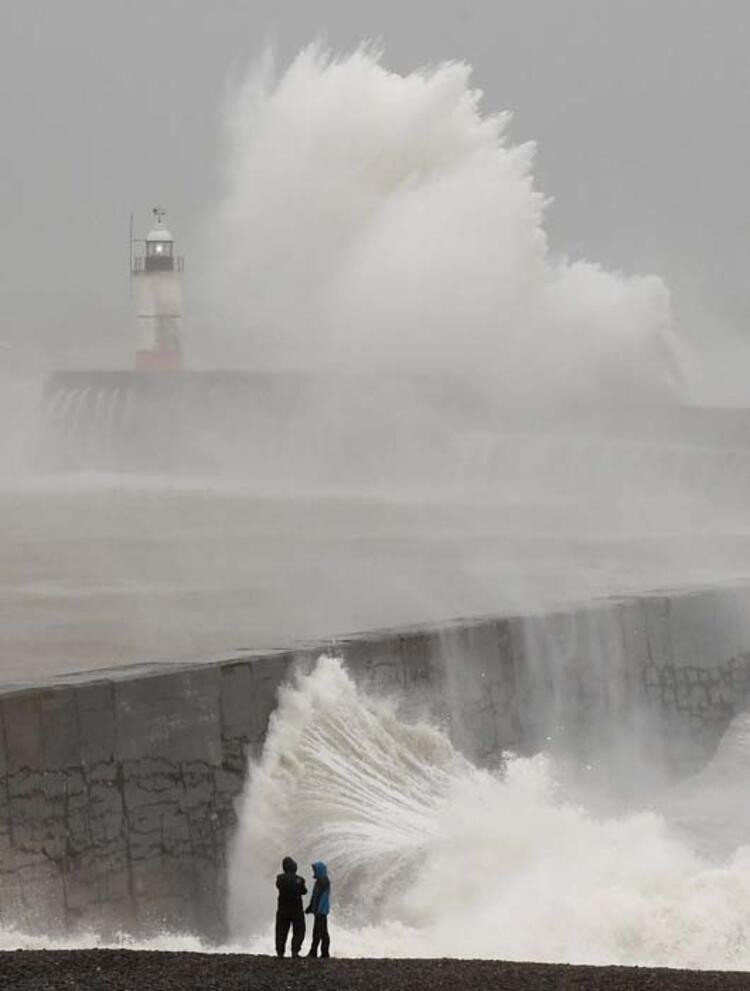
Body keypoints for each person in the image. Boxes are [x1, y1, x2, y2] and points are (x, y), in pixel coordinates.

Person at [275, 856, 307, 958]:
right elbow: (304, 891)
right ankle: (295, 951)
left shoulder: (280, 878)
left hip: (283, 909)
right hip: (296, 908)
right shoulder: (300, 879)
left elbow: (278, 886)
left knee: (281, 930)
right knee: (299, 930)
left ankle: (280, 952)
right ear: (294, 867)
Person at [305, 861, 331, 958]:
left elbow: (318, 897)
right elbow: (315, 897)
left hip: (321, 911)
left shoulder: (322, 881)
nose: (314, 872)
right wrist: (311, 907)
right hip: (321, 911)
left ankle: (314, 952)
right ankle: (324, 953)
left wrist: (313, 908)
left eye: (315, 870)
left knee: (317, 932)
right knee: (323, 932)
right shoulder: (322, 881)